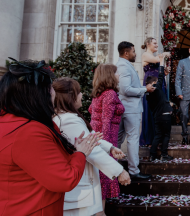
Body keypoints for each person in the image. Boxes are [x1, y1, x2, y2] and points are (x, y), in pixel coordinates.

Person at [0, 59, 99, 216]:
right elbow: (64, 179)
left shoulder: (12, 121)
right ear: (38, 94)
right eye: (50, 89)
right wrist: (81, 153)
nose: (53, 93)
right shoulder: (28, 131)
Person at [52, 77, 130, 216]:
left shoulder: (67, 117)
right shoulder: (69, 120)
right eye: (79, 92)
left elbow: (91, 137)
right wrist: (119, 171)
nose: (82, 95)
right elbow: (91, 149)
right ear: (71, 97)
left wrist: (110, 148)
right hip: (80, 186)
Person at [89, 64, 126, 213]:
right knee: (104, 174)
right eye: (117, 73)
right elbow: (106, 121)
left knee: (99, 175)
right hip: (106, 137)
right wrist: (106, 146)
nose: (119, 76)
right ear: (110, 75)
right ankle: (100, 212)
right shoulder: (110, 93)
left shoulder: (99, 93)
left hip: (98, 136)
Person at [117, 41, 155, 180]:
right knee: (132, 139)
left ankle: (114, 168)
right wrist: (145, 89)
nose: (135, 53)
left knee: (118, 139)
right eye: (133, 51)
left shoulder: (124, 65)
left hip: (124, 108)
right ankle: (133, 171)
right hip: (130, 109)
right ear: (126, 53)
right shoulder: (124, 67)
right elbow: (126, 90)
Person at [140, 37, 171, 147]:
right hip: (150, 84)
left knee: (160, 111)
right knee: (151, 111)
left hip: (159, 83)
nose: (157, 45)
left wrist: (165, 71)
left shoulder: (154, 56)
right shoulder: (145, 55)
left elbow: (159, 65)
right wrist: (165, 53)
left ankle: (159, 138)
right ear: (148, 44)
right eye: (154, 43)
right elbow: (158, 60)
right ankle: (150, 139)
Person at [146, 54, 174, 161]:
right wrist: (161, 63)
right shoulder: (156, 89)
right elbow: (161, 76)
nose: (159, 83)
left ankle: (152, 155)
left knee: (158, 135)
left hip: (157, 117)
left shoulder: (147, 95)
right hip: (165, 115)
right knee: (166, 135)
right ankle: (164, 155)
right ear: (153, 83)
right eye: (157, 82)